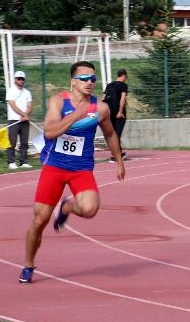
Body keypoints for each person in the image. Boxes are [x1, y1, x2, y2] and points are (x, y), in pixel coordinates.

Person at [19, 61, 125, 284]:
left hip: (81, 169)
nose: (90, 83)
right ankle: (28, 264)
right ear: (73, 81)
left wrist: (118, 160)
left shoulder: (101, 108)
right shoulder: (58, 101)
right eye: (85, 78)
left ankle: (67, 205)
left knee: (90, 209)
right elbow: (49, 132)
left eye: (93, 79)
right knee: (39, 221)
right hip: (54, 167)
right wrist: (76, 115)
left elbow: (110, 134)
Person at [6, 70, 33, 169]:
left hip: (24, 120)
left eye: (22, 79)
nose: (20, 81)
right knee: (12, 142)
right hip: (14, 119)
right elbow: (13, 106)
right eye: (18, 79)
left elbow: (30, 105)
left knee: (24, 142)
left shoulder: (27, 92)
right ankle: (11, 162)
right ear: (15, 79)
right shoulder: (11, 91)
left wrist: (25, 115)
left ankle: (23, 161)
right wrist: (23, 115)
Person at [102, 69, 129, 160]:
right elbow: (122, 98)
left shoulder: (109, 85)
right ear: (124, 75)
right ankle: (116, 154)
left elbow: (103, 98)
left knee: (112, 133)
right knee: (117, 133)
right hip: (118, 112)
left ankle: (116, 152)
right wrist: (120, 112)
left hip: (109, 111)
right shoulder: (123, 86)